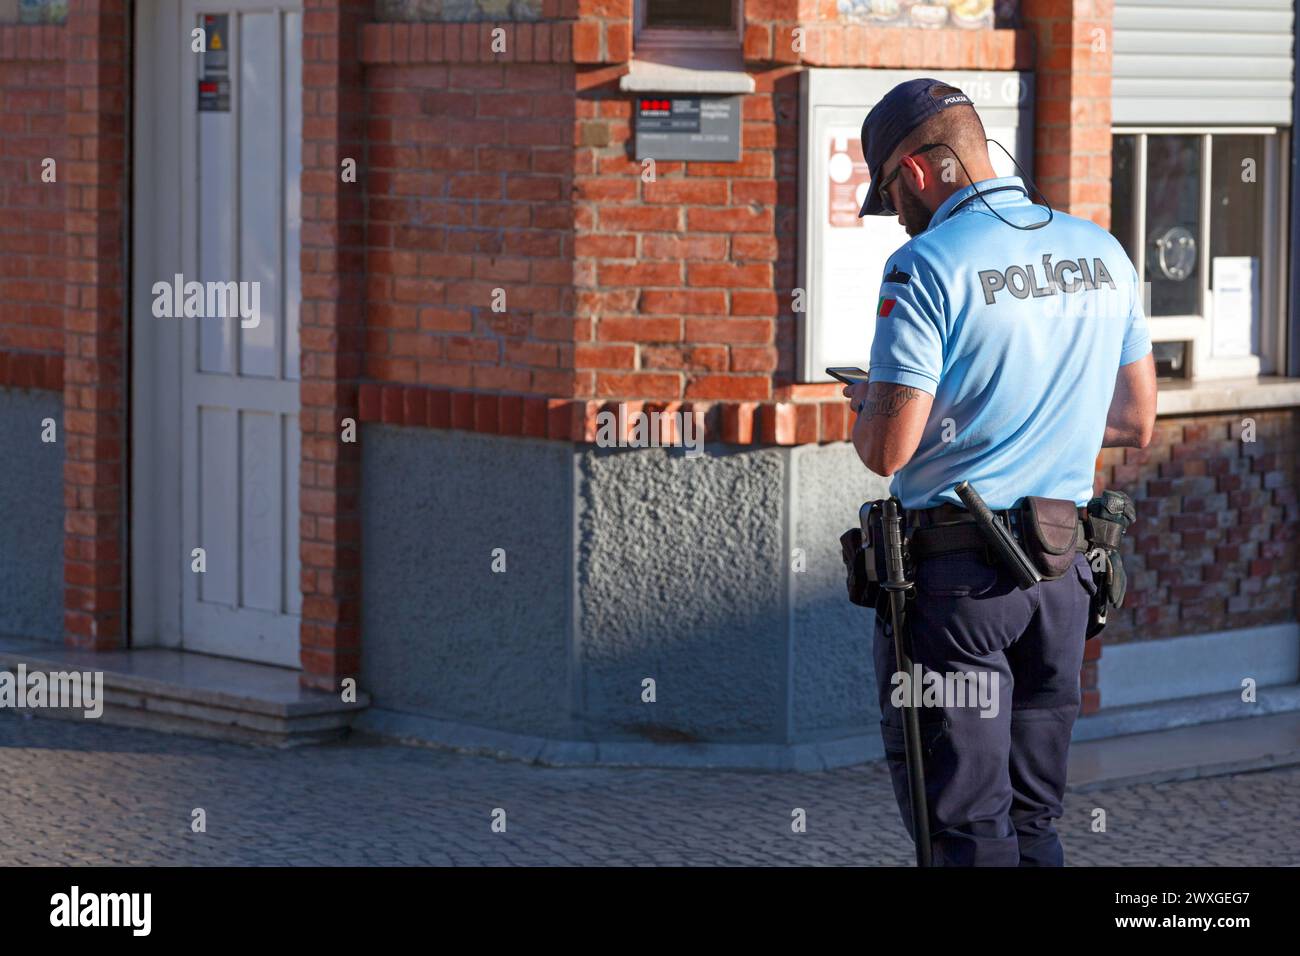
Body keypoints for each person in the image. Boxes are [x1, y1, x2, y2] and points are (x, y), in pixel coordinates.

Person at [843, 78, 1158, 866]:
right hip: (1062, 581)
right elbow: (1134, 421)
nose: (898, 214)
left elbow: (887, 450)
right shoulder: (1100, 251)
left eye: (890, 193)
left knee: (963, 828)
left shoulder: (923, 268)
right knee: (1033, 821)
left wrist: (873, 402)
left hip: (957, 594)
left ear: (915, 172)